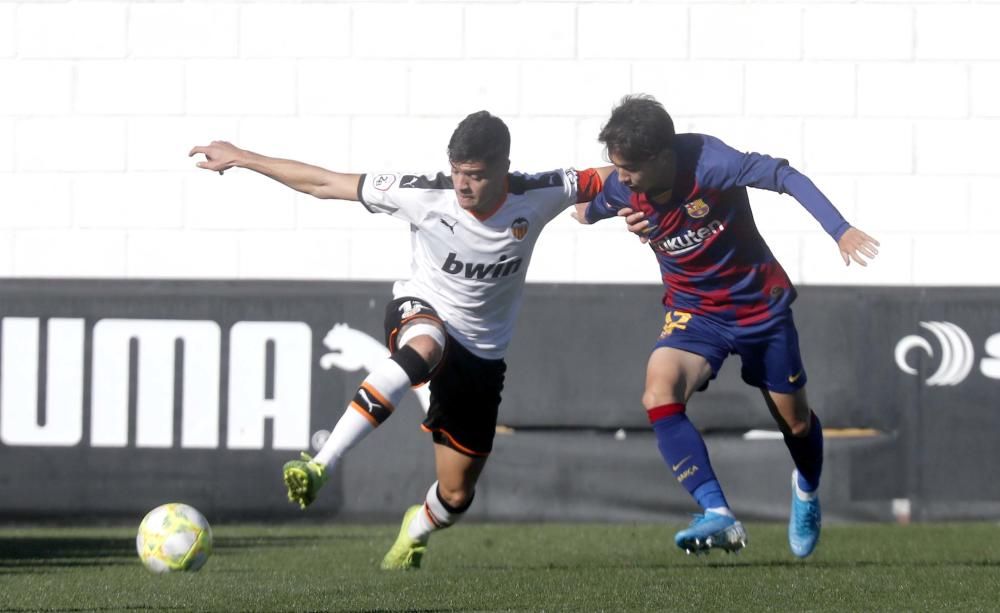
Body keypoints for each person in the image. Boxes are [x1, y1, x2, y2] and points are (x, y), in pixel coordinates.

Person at [190, 111, 609, 570]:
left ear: (503, 168)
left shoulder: (540, 192)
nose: (463, 185)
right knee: (427, 344)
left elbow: (621, 175)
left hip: (482, 357)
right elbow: (324, 183)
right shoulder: (425, 194)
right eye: (456, 172)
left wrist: (649, 198)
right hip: (421, 311)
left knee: (455, 495)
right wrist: (244, 158)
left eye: (475, 175)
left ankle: (417, 530)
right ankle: (320, 464)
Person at [574, 94, 879, 558]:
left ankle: (806, 489)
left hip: (760, 305)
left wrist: (840, 229)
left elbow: (783, 175)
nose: (622, 178)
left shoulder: (713, 164)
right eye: (615, 167)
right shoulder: (624, 187)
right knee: (658, 391)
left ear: (660, 156)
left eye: (630, 168)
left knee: (795, 423)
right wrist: (602, 211)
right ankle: (718, 513)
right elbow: (586, 208)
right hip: (695, 311)